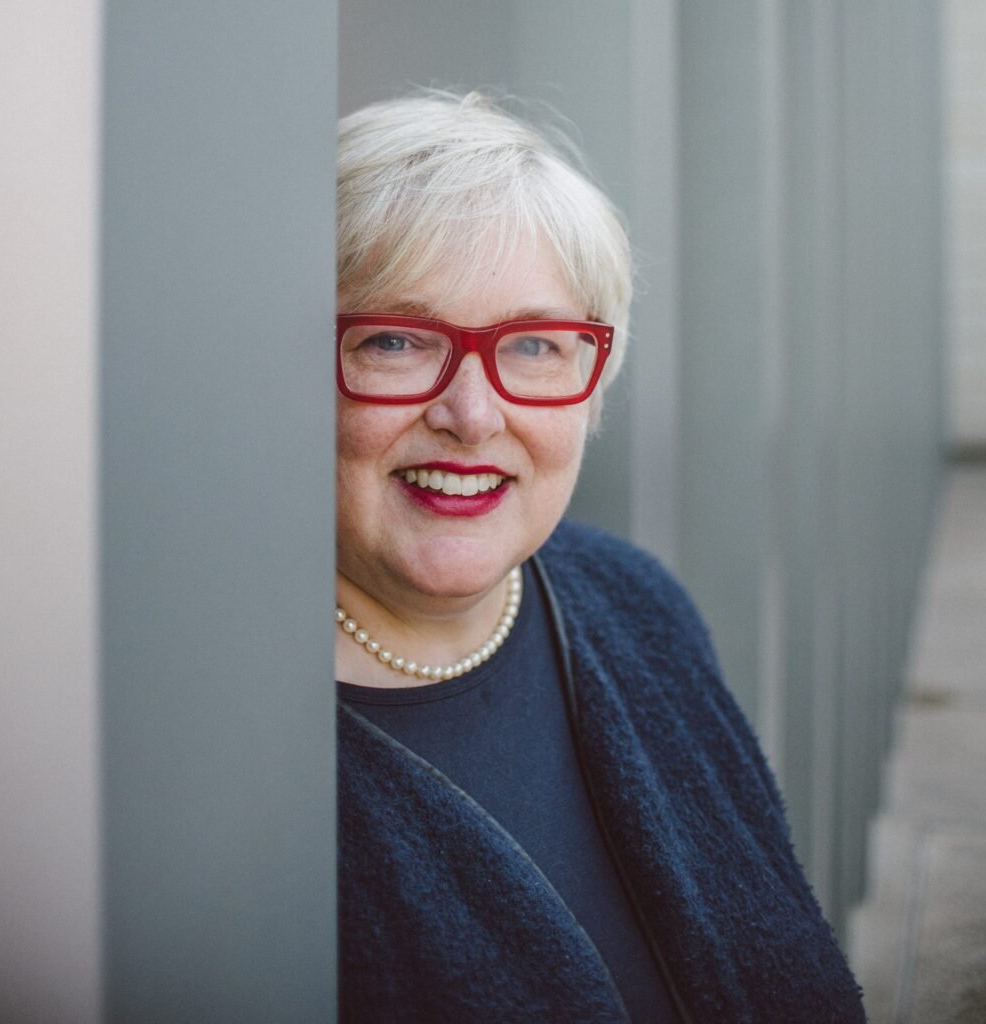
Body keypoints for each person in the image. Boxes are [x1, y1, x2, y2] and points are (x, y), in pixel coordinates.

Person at [334, 91, 866, 1024]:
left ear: (592, 384)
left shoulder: (634, 604)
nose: (472, 415)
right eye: (396, 340)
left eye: (535, 345)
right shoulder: (225, 752)